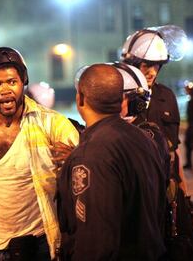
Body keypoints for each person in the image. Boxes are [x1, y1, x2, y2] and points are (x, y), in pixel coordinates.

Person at [0, 47, 79, 260]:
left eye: (12, 82)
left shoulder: (51, 123)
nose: (6, 91)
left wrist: (77, 158)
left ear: (23, 82)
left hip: (38, 244)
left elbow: (87, 170)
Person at [57, 64, 166, 260]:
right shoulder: (144, 138)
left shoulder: (91, 153)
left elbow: (96, 241)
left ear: (80, 98)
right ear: (122, 100)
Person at [120, 26, 188, 194]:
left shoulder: (167, 96)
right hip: (137, 190)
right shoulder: (119, 97)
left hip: (168, 189)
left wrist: (184, 193)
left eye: (156, 66)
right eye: (145, 66)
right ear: (132, 64)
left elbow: (174, 151)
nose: (151, 72)